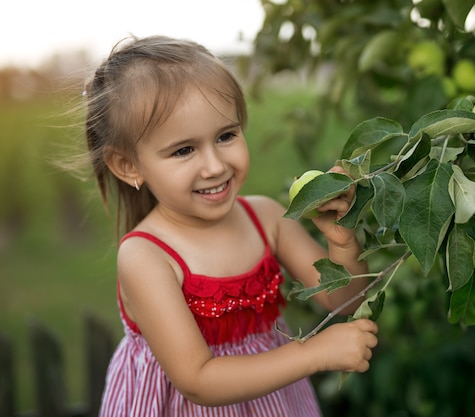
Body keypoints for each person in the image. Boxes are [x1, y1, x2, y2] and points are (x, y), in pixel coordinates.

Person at [79, 35, 378, 416]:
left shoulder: (266, 218)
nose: (215, 165)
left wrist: (342, 244)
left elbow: (345, 301)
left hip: (273, 401)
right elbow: (198, 380)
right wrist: (314, 353)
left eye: (226, 136)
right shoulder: (146, 256)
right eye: (184, 150)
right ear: (128, 166)